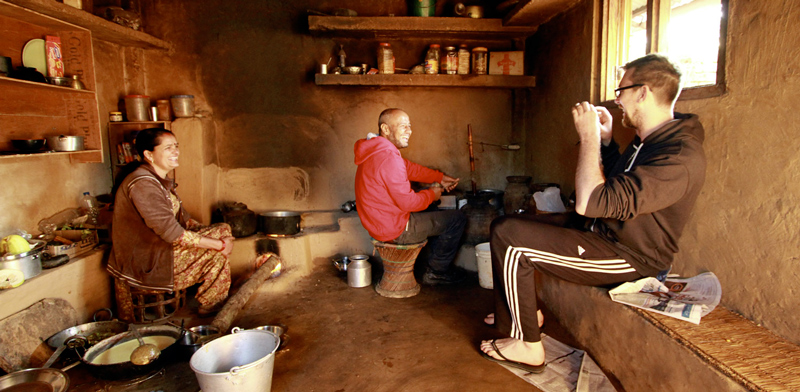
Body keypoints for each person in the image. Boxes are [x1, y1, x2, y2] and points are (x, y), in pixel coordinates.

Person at [479, 54, 706, 372]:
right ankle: (522, 315)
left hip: (630, 256)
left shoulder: (677, 157)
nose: (617, 99)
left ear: (643, 92)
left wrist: (587, 137)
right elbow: (616, 184)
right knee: (505, 223)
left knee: (513, 240)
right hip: (601, 230)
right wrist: (607, 142)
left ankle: (528, 346)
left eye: (622, 89)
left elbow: (591, 201)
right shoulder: (651, 140)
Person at [107, 128, 235, 317]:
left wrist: (216, 236)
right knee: (218, 254)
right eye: (168, 148)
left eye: (176, 146)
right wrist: (219, 244)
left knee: (222, 229)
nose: (176, 151)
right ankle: (211, 306)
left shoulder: (158, 180)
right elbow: (171, 232)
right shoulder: (142, 184)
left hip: (162, 248)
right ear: (149, 154)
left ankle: (212, 304)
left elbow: (185, 219)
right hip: (146, 261)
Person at [354, 108, 467, 285]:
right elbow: (409, 203)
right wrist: (433, 194)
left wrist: (439, 177)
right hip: (395, 229)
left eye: (410, 126)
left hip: (378, 223)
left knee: (431, 208)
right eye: (403, 126)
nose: (409, 131)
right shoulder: (389, 158)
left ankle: (431, 264)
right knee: (456, 219)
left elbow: (409, 168)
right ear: (385, 128)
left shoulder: (374, 150)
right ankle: (437, 272)